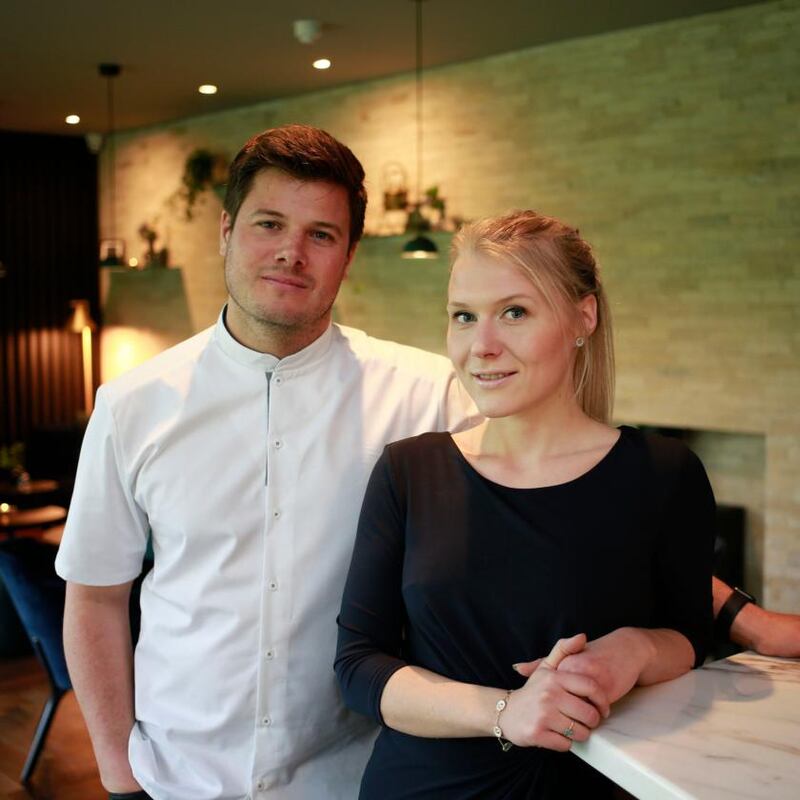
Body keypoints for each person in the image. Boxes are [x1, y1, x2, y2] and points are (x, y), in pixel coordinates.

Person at [57, 125, 797, 800]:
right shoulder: (132, 406)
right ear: (225, 231)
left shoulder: (423, 391)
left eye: (322, 234)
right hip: (180, 776)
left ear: (348, 255)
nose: (292, 252)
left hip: (351, 772)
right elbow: (94, 600)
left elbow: (566, 508)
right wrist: (119, 777)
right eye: (269, 225)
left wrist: (743, 620)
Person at [334, 210, 718, 798]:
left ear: (582, 318)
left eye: (514, 312)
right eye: (464, 317)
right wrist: (505, 711)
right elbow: (360, 666)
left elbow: (690, 638)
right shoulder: (408, 471)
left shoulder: (665, 475)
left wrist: (636, 649)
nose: (481, 346)